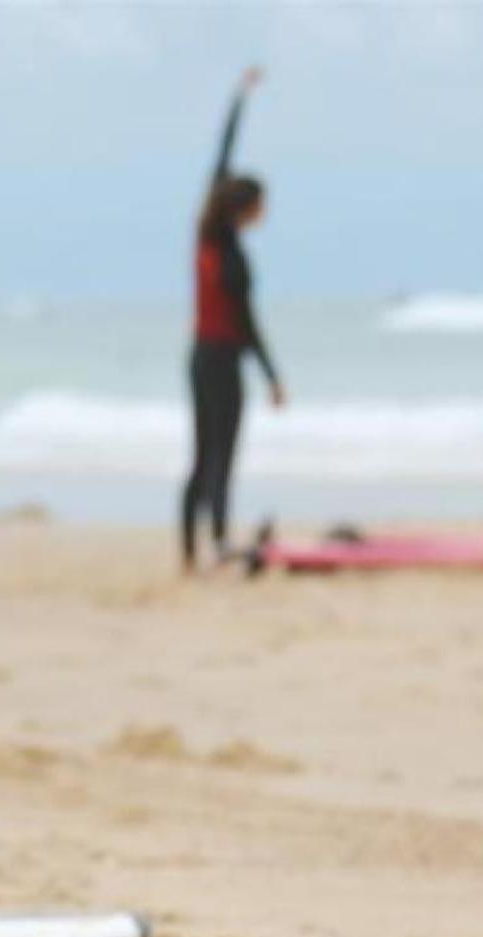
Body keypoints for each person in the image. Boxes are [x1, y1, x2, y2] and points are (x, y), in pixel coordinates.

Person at [181, 67, 284, 572]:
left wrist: (238, 98)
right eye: (262, 206)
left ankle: (198, 548)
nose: (266, 213)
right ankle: (209, 545)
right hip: (219, 357)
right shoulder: (229, 254)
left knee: (208, 455)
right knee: (216, 457)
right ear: (245, 208)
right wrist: (272, 375)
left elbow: (220, 158)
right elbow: (248, 323)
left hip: (203, 356)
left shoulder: (207, 234)